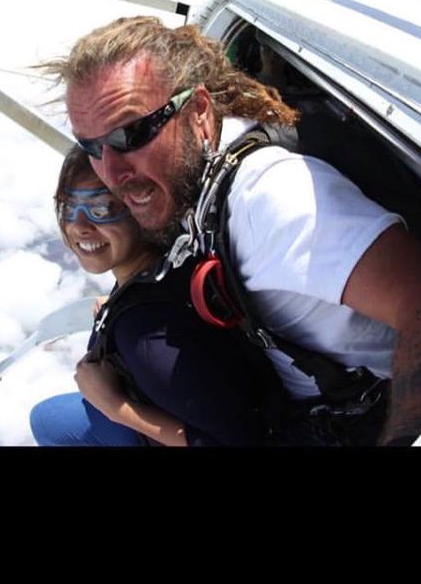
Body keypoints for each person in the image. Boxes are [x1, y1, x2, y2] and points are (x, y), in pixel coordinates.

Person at [42, 16, 421, 446]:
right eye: (91, 146)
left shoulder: (270, 197)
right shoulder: (193, 176)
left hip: (353, 418)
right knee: (52, 419)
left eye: (131, 133)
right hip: (291, 398)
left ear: (198, 112)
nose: (111, 172)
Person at [30, 146, 296, 446]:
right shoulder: (169, 258)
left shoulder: (145, 337)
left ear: (141, 210)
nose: (78, 226)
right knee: (46, 419)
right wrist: (117, 303)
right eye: (68, 207)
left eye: (102, 208)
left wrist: (117, 407)